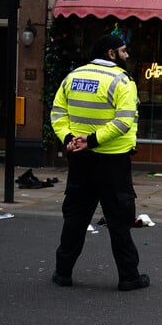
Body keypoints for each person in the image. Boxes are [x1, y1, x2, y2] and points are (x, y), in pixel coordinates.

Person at [49, 33, 149, 291]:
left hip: (80, 160)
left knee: (75, 217)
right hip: (112, 161)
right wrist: (92, 140)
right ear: (111, 53)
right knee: (119, 221)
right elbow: (123, 121)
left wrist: (70, 138)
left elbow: (58, 112)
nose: (127, 55)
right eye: (124, 51)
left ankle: (63, 273)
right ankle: (129, 277)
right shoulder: (122, 80)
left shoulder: (73, 76)